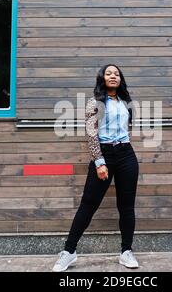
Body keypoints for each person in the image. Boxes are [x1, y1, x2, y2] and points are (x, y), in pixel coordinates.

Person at [53, 64, 140, 272]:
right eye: (109, 73)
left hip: (126, 154)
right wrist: (99, 161)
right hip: (104, 154)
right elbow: (91, 134)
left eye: (117, 74)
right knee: (88, 204)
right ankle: (69, 252)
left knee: (126, 206)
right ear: (102, 78)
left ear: (120, 79)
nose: (113, 76)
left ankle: (126, 252)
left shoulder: (126, 102)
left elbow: (126, 130)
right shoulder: (94, 102)